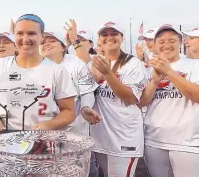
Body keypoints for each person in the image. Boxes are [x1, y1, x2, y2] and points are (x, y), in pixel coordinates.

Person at [0, 14, 77, 176]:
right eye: (20, 33)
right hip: (4, 142)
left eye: (31, 33)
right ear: (14, 35)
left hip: (41, 144)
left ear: (42, 37)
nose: (25, 39)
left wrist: (48, 125)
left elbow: (69, 111)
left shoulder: (56, 71)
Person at [138, 24, 199, 177]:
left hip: (187, 142)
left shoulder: (194, 65)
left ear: (180, 42)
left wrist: (169, 72)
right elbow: (142, 102)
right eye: (161, 41)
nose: (166, 45)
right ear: (155, 45)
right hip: (154, 140)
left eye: (172, 41)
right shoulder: (147, 69)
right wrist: (154, 82)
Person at [40, 31, 101, 177]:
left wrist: (86, 107)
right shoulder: (33, 66)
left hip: (75, 134)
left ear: (63, 47)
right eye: (42, 42)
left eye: (52, 41)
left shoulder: (76, 63)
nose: (46, 44)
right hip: (43, 135)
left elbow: (87, 91)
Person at [89, 21, 147, 177]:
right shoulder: (94, 63)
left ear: (122, 38)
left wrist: (108, 74)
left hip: (124, 138)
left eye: (114, 34)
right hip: (101, 137)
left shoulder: (133, 63)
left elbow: (130, 98)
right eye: (104, 34)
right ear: (99, 39)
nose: (109, 37)